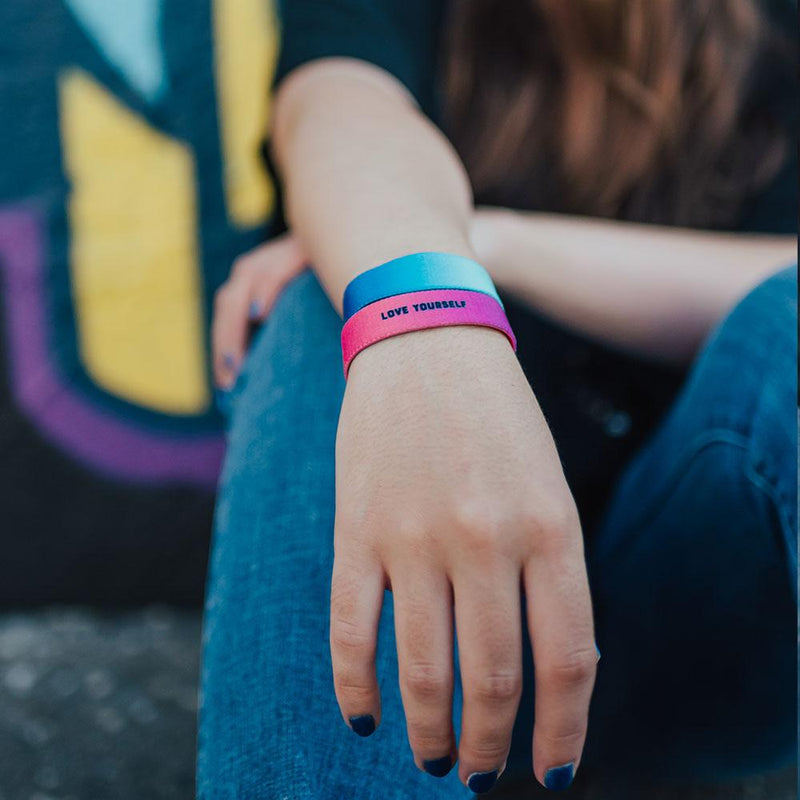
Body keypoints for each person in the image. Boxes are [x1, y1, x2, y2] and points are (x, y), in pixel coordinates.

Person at [198, 0, 798, 796]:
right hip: (431, 637)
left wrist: (489, 248)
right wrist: (421, 323)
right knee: (324, 298)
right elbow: (340, 106)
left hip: (701, 610)